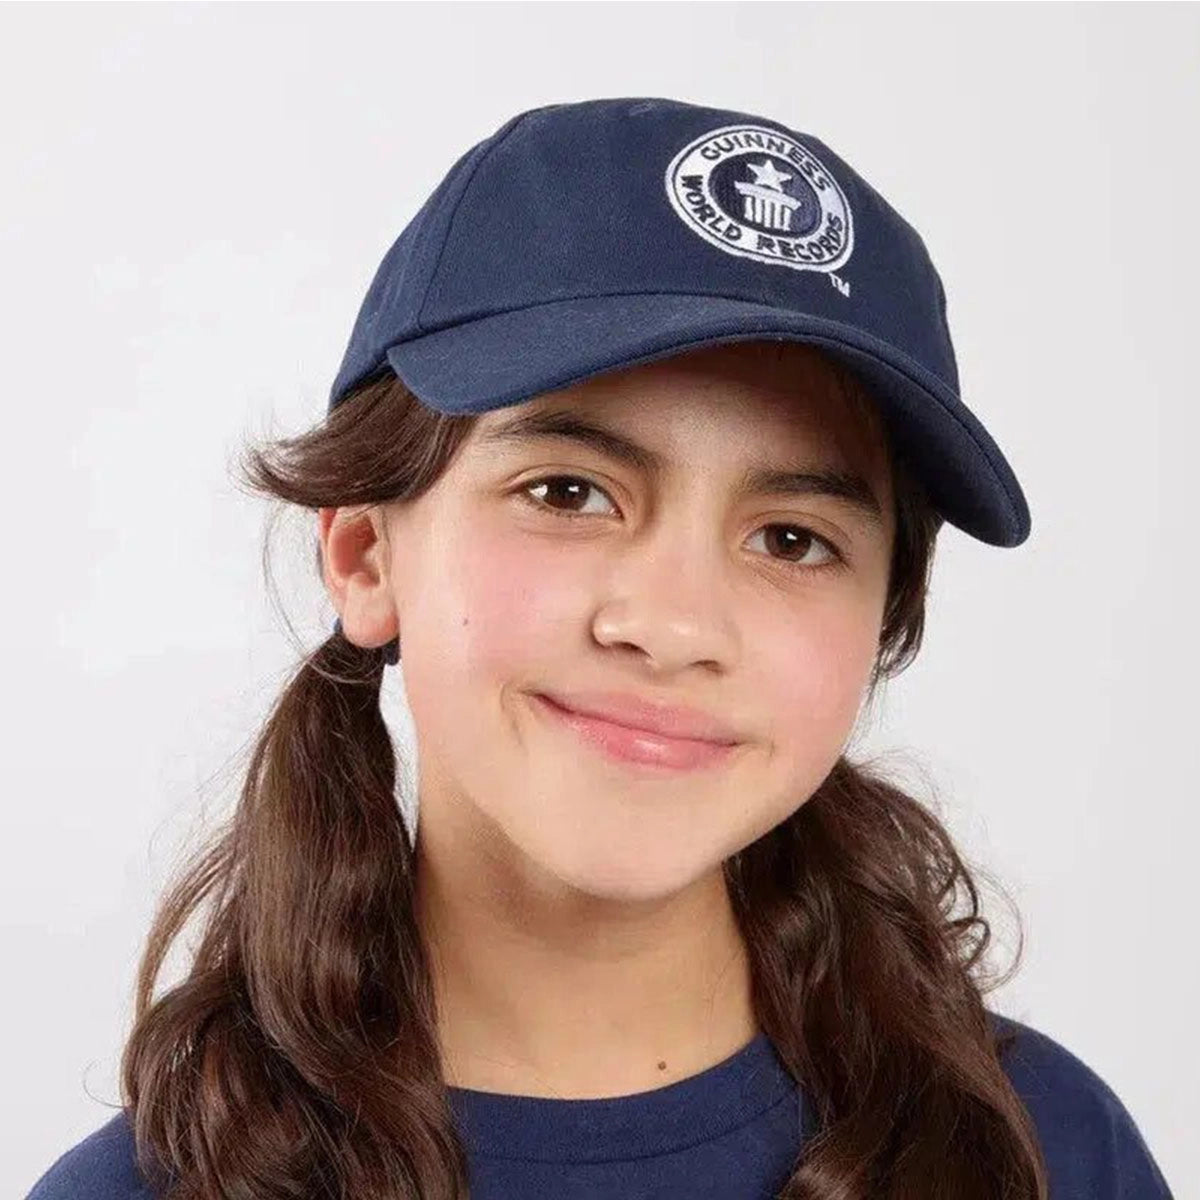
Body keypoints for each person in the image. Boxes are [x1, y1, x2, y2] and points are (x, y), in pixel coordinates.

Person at [25, 97, 1174, 1200]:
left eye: (792, 537)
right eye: (569, 492)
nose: (673, 624)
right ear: (368, 557)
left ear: (881, 622)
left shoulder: (1044, 1153)